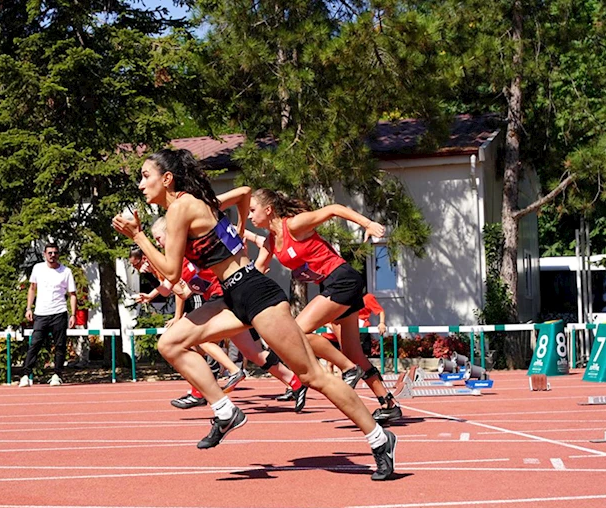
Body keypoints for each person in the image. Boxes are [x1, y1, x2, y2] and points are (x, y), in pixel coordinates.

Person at [112, 148, 395, 480]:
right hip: (233, 293)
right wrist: (240, 228)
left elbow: (172, 274)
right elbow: (244, 195)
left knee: (313, 377)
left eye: (146, 176)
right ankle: (225, 410)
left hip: (255, 293)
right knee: (171, 343)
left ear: (167, 178)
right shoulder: (191, 204)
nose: (141, 184)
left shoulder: (180, 209)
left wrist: (138, 236)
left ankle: (379, 438)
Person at [246, 188, 402, 424]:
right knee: (353, 352)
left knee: (296, 332)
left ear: (268, 210)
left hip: (342, 280)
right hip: (332, 285)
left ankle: (348, 370)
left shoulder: (294, 225)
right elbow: (257, 270)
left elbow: (333, 210)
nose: (249, 216)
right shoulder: (270, 241)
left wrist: (367, 224)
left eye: (252, 210)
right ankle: (388, 403)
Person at [150, 215, 309, 412]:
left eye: (158, 238)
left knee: (201, 339)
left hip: (226, 298)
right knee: (254, 353)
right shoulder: (180, 258)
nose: (158, 244)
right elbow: (175, 291)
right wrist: (148, 273)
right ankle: (295, 382)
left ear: (170, 233)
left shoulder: (183, 252)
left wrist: (248, 234)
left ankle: (216, 382)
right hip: (222, 299)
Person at [128, 242, 249, 404]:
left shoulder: (167, 260)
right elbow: (169, 288)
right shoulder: (156, 266)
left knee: (200, 341)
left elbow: (180, 292)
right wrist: (150, 293)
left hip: (205, 299)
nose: (135, 269)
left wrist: (178, 317)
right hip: (202, 297)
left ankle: (231, 371)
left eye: (136, 264)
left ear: (144, 258)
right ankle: (200, 390)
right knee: (252, 353)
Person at [19, 242, 77, 387]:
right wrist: (28, 308)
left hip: (59, 312)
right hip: (41, 313)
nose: (52, 256)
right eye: (49, 253)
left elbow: (72, 294)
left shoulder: (66, 271)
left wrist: (73, 314)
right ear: (45, 254)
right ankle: (26, 375)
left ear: (58, 254)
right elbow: (32, 289)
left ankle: (57, 375)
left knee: (59, 346)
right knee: (35, 343)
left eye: (55, 253)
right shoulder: (38, 268)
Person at [359, 292, 387, 357]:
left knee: (363, 354)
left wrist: (382, 323)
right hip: (348, 329)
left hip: (362, 329)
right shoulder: (347, 296)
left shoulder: (367, 297)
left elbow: (380, 311)